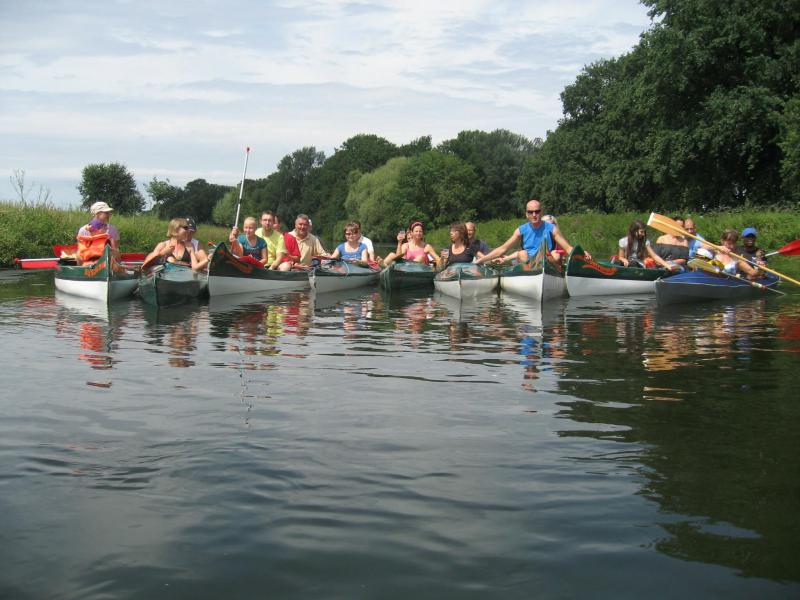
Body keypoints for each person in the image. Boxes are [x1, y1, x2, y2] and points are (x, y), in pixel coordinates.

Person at [476, 199, 590, 267]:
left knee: (556, 255)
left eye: (537, 211)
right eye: (531, 212)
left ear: (541, 212)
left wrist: (581, 253)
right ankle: (530, 274)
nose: (534, 215)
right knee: (522, 253)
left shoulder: (551, 228)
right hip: (528, 262)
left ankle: (549, 273)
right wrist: (482, 260)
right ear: (526, 214)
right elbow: (502, 249)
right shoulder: (521, 230)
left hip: (546, 260)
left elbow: (568, 248)